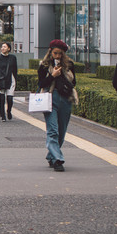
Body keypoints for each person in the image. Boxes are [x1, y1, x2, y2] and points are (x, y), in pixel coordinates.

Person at [38, 39, 78, 172]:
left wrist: (63, 76)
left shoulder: (69, 65)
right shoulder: (44, 66)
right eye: (55, 53)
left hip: (66, 99)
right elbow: (41, 84)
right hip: (50, 98)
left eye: (60, 54)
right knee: (53, 130)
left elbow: (74, 82)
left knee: (61, 132)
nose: (57, 56)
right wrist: (52, 75)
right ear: (50, 52)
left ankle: (51, 155)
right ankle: (57, 159)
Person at [0, 42, 19, 121]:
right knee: (2, 98)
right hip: (1, 80)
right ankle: (2, 116)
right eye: (2, 47)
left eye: (5, 47)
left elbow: (15, 69)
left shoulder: (13, 58)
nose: (3, 48)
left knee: (10, 98)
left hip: (10, 79)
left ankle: (9, 111)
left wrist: (15, 78)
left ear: (9, 49)